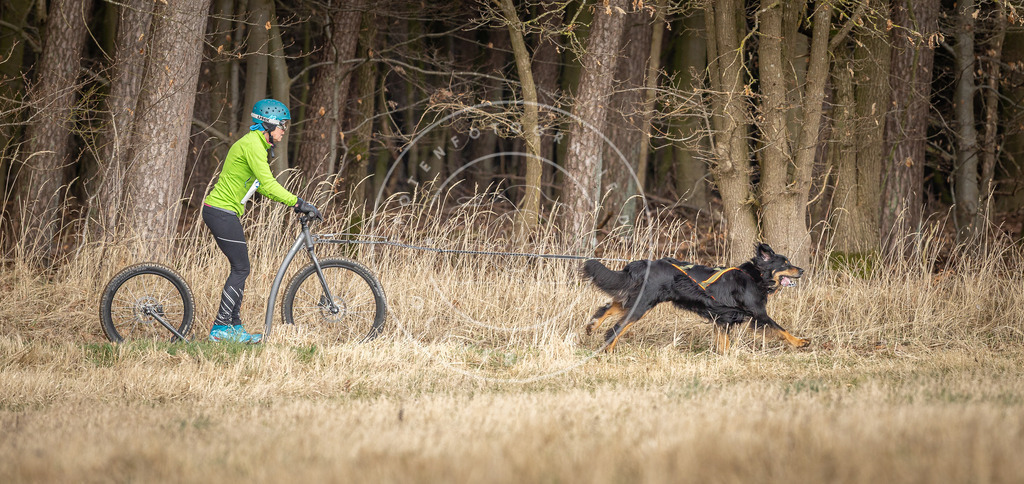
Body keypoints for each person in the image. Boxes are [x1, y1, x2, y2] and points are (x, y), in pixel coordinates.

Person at [202, 98, 321, 343]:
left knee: (241, 268)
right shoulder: (253, 145)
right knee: (241, 268)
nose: (284, 130)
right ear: (268, 124)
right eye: (282, 125)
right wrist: (298, 202)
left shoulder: (256, 144)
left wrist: (293, 204)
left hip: (225, 212)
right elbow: (268, 183)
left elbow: (263, 188)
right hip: (220, 211)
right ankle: (220, 328)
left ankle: (234, 328)